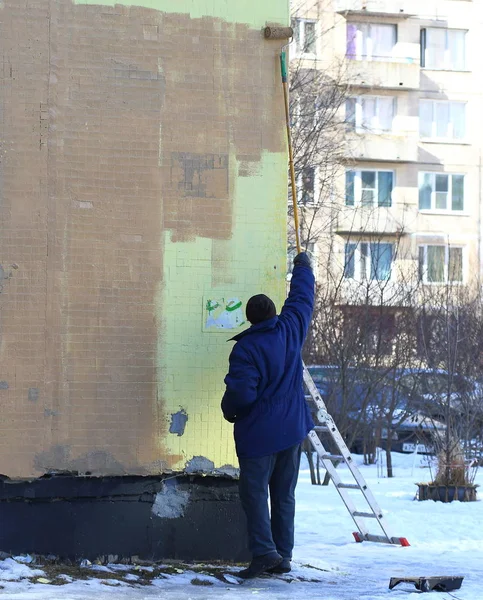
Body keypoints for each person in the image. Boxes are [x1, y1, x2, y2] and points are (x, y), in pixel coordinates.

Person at [221, 252, 315, 579]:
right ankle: (283, 555)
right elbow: (302, 297)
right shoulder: (291, 328)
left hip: (259, 437)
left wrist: (228, 409)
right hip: (292, 431)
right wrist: (303, 267)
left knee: (255, 496)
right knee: (284, 495)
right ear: (275, 313)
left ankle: (264, 554)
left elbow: (242, 394)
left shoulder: (246, 349)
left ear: (249, 319)